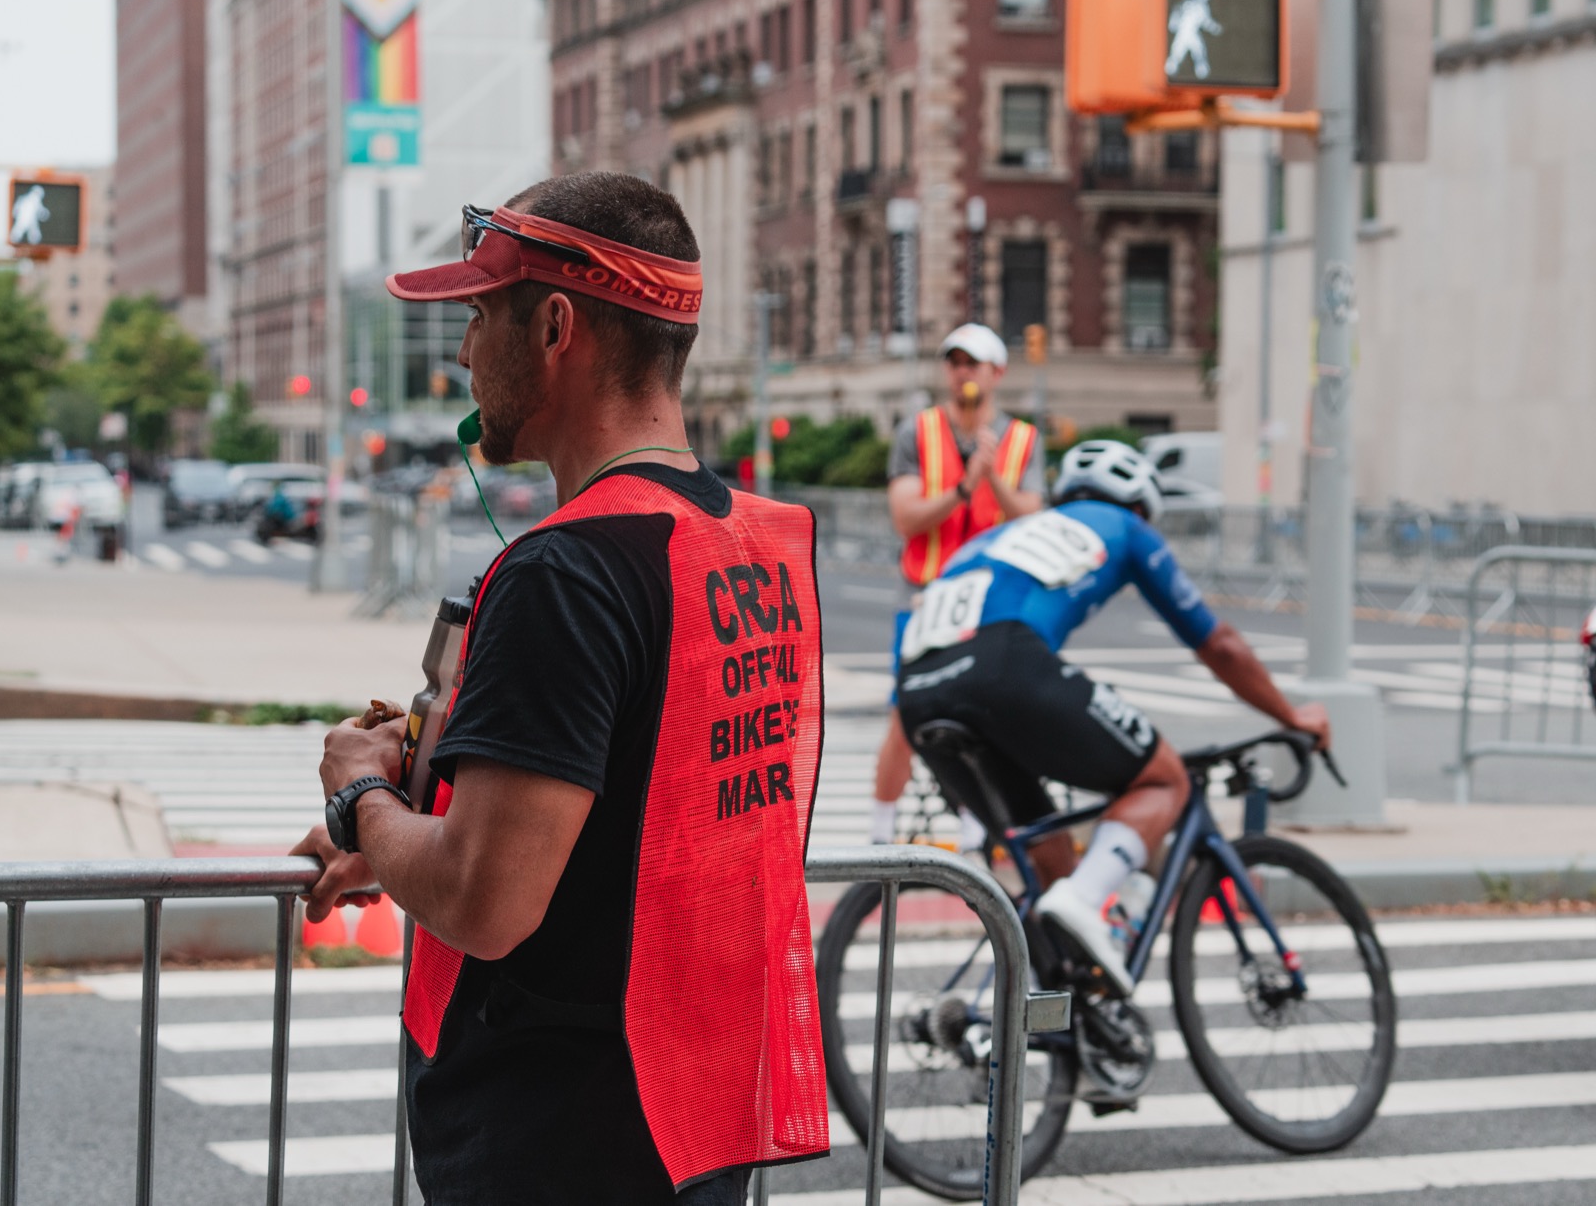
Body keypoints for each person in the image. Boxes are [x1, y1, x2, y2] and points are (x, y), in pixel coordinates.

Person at [289, 173, 828, 1205]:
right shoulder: (753, 546)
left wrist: (362, 794)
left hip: (558, 1137)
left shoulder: (565, 571)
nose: (461, 351)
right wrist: (415, 827)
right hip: (689, 1115)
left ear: (553, 326)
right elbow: (641, 792)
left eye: (479, 313)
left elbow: (487, 905)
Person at [895, 439, 1329, 997]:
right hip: (1002, 665)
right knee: (1164, 777)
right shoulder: (1123, 527)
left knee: (1047, 854)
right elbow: (1219, 644)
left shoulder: (998, 536)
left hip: (918, 691)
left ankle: (1046, 1018)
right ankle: (1086, 901)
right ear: (1139, 503)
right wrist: (1290, 714)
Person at [870, 322, 1045, 845]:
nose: (963, 372)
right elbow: (906, 517)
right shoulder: (917, 432)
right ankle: (879, 835)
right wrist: (963, 487)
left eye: (973, 363)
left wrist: (991, 477)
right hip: (924, 598)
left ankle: (976, 830)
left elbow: (1031, 517)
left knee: (983, 716)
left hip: (988, 602)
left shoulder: (1022, 440)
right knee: (906, 717)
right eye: (955, 362)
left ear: (997, 373)